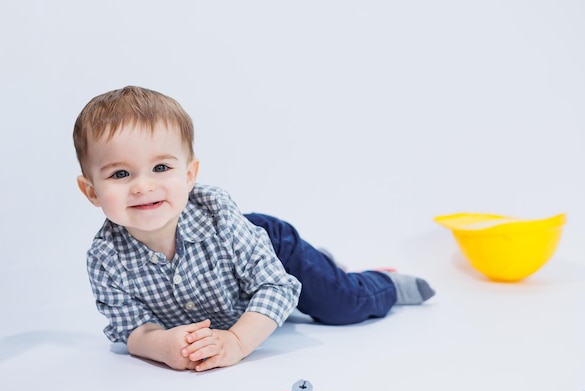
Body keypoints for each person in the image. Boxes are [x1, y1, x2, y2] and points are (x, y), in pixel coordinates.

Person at [73, 86, 435, 372]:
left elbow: (276, 286)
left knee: (338, 305)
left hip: (271, 249)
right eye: (120, 174)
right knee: (301, 292)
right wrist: (161, 346)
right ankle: (324, 263)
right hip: (237, 289)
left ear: (189, 175)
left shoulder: (219, 217)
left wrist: (236, 342)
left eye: (161, 168)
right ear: (91, 191)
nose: (142, 186)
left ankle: (382, 284)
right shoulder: (106, 258)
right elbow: (131, 329)